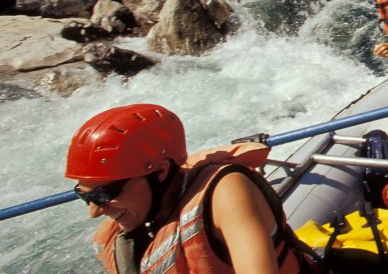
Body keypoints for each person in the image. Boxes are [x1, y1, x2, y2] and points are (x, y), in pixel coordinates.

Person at [66, 104, 319, 274]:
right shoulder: (134, 222)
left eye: (104, 195)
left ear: (161, 172)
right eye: (84, 196)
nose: (94, 212)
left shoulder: (226, 192)